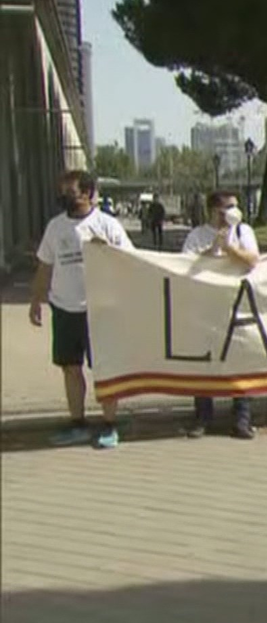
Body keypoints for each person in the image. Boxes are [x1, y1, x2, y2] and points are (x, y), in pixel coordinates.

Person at [29, 171, 136, 449]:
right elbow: (45, 265)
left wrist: (109, 253)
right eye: (63, 192)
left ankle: (110, 425)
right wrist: (36, 300)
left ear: (88, 194)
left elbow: (131, 260)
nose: (64, 197)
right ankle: (77, 423)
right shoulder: (55, 227)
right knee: (70, 368)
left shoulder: (107, 225)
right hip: (65, 308)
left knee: (104, 368)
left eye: (70, 192)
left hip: (100, 309)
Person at [182, 191, 260, 439]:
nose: (233, 212)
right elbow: (184, 266)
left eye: (236, 206)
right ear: (214, 210)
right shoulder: (197, 236)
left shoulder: (243, 232)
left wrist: (230, 249)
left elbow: (251, 260)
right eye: (228, 207)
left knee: (239, 357)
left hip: (236, 302)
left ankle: (242, 418)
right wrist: (213, 249)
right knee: (205, 360)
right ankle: (203, 416)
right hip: (206, 306)